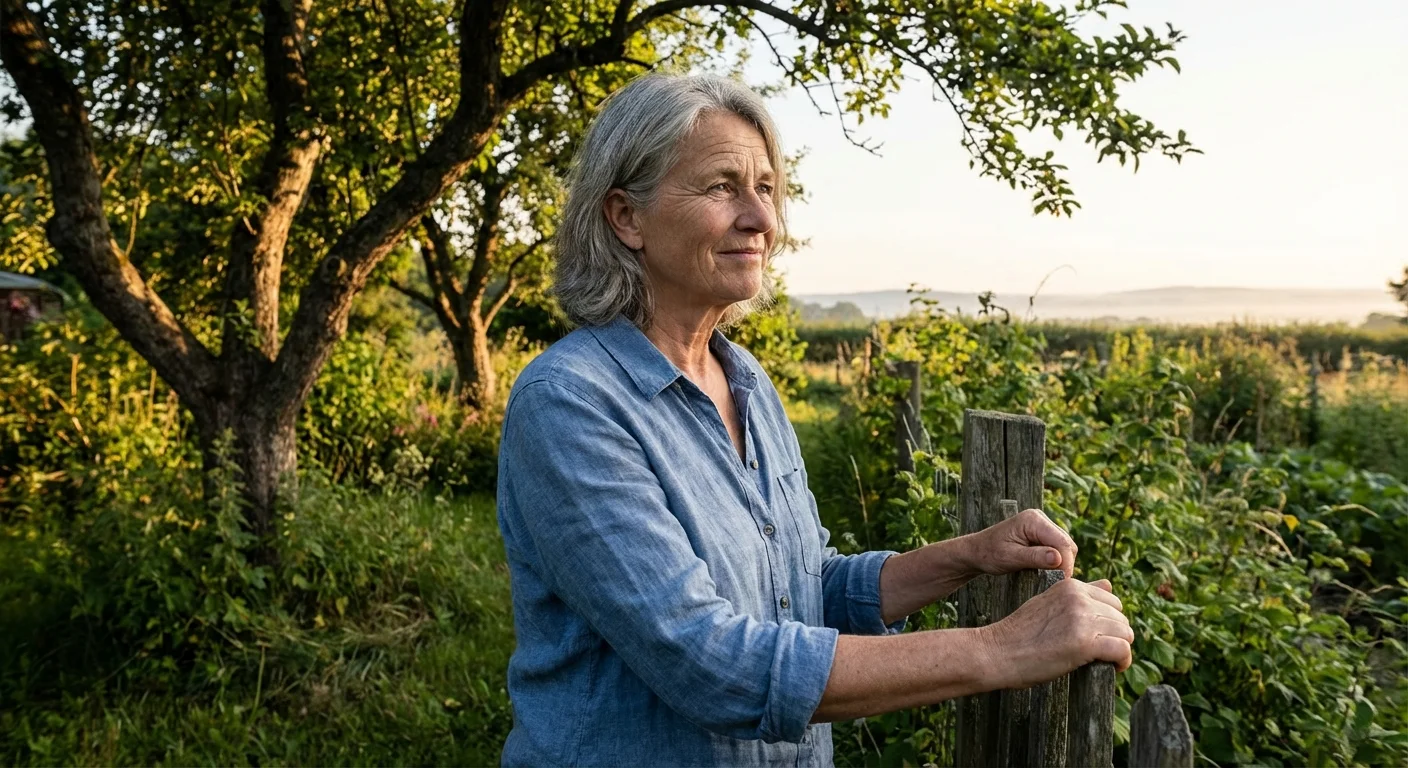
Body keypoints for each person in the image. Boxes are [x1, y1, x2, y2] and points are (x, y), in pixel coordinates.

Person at [495, 73, 1134, 767]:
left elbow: (801, 588)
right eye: (721, 187)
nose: (762, 221)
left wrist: (967, 556)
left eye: (765, 188)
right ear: (626, 217)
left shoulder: (744, 381)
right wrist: (1005, 648)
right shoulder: (570, 403)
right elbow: (710, 662)